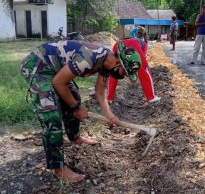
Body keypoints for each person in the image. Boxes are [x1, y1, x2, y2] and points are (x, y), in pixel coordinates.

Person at [20, 40, 141, 183]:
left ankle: (75, 137)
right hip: (38, 66)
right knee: (51, 114)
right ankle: (58, 168)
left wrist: (109, 113)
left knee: (74, 97)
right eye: (125, 72)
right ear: (118, 64)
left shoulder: (106, 63)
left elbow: (100, 90)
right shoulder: (88, 58)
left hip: (55, 69)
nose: (123, 76)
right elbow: (58, 82)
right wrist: (75, 108)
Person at [107, 30, 160, 103]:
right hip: (133, 45)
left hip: (117, 45)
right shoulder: (144, 44)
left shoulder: (133, 38)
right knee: (144, 69)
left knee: (114, 71)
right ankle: (151, 97)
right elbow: (139, 62)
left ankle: (109, 98)